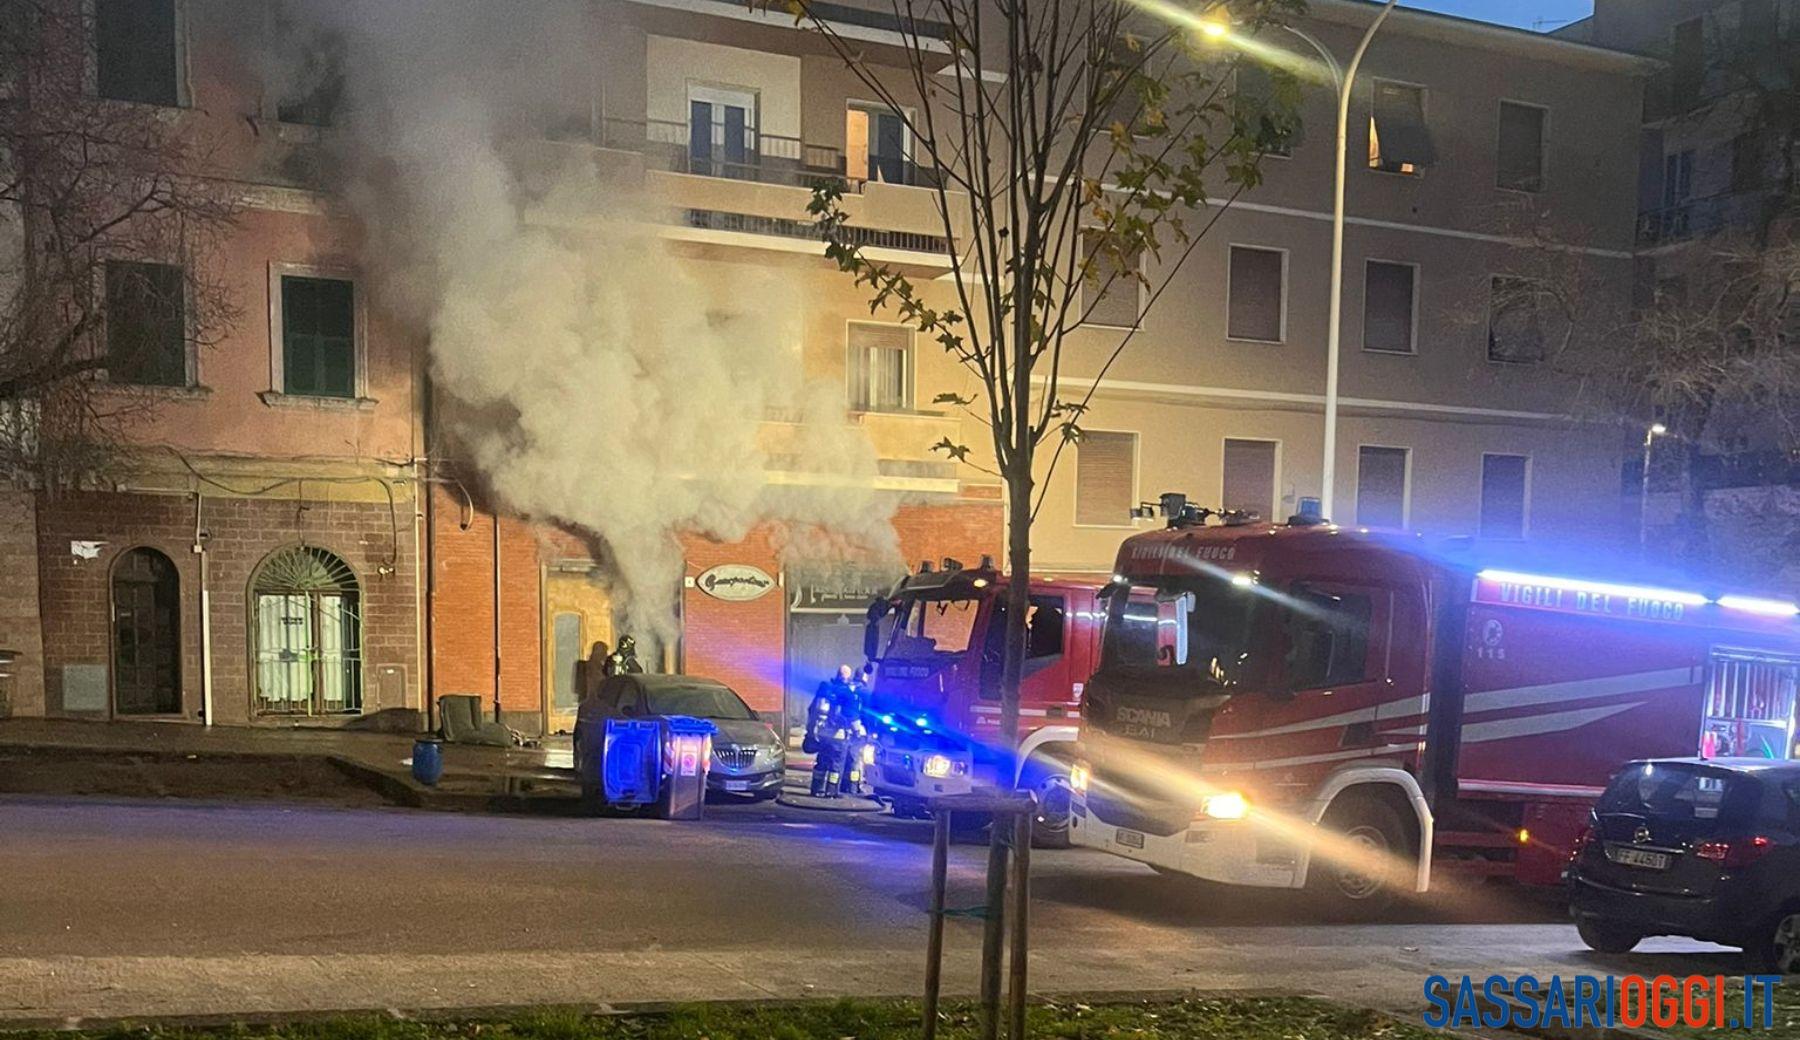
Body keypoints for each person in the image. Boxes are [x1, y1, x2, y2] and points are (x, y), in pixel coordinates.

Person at [808, 665, 863, 798]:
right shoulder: (847, 693)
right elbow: (851, 715)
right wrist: (859, 732)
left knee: (821, 762)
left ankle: (816, 789)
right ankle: (831, 792)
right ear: (847, 676)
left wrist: (810, 731)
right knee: (836, 766)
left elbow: (811, 709)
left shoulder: (825, 688)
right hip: (838, 736)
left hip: (822, 734)